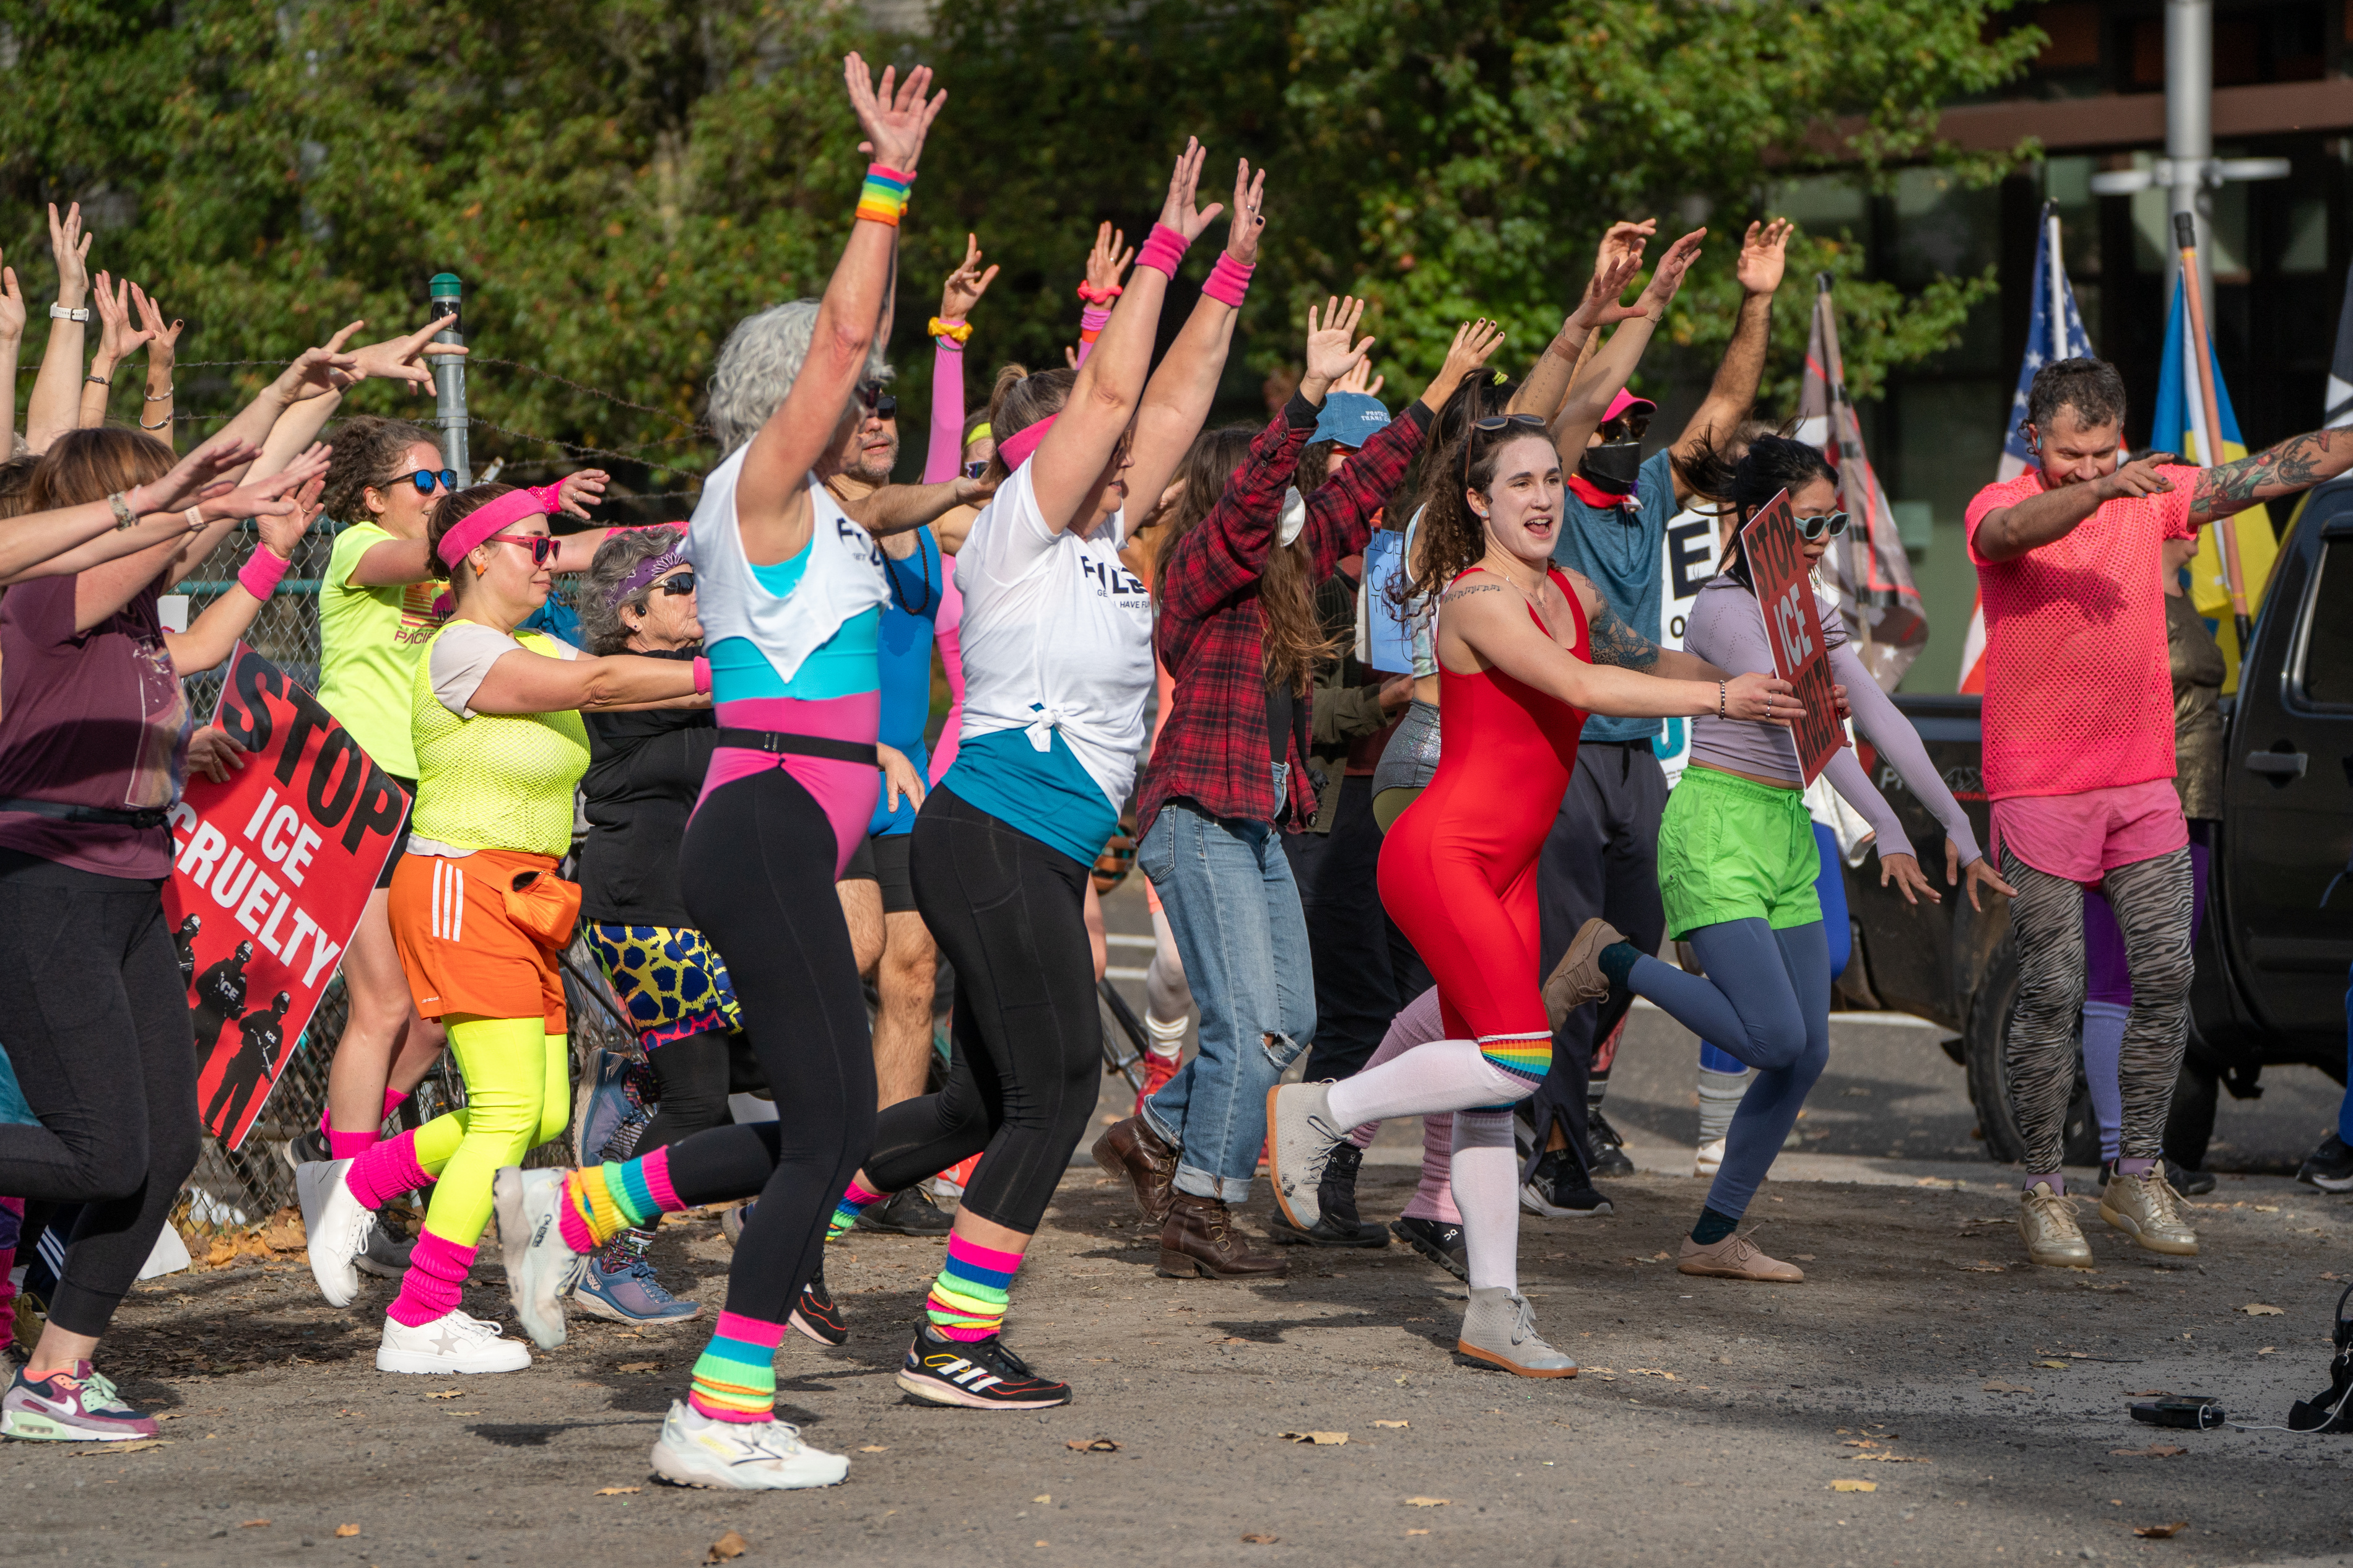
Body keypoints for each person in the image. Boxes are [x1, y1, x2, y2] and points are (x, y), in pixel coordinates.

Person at [492, 56, 946, 1490]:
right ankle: (717, 1406)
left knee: (824, 1127)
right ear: (789, 394)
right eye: (848, 387)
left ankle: (587, 1210)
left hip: (771, 826)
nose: (862, 400)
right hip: (749, 827)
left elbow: (896, 496)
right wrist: (885, 186)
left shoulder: (818, 514)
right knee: (823, 1130)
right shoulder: (754, 482)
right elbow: (834, 345)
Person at [1262, 291, 1799, 1374]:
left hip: (1505, 869)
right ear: (1477, 501)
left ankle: (1493, 1307)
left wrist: (1771, 680)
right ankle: (1327, 1106)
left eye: (1553, 480)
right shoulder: (1477, 600)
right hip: (1444, 854)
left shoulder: (1561, 588)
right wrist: (1719, 702)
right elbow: (1573, 682)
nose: (1546, 498)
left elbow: (1631, 661)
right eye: (1522, 483)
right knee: (1512, 1058)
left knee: (1482, 1100)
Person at [820, 142, 1258, 1407]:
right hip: (996, 831)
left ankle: (793, 1218)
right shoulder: (1016, 535)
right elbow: (1124, 392)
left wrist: (1229, 272)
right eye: (1098, 448)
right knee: (1062, 1085)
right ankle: (952, 1340)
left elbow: (1170, 405)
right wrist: (1167, 249)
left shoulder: (1110, 554)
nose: (1131, 461)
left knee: (982, 1099)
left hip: (1032, 844)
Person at [1116, 308, 1501, 1279]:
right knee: (1248, 1027)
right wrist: (1309, 398)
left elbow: (1366, 484)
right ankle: (1201, 1214)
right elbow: (1254, 501)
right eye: (1283, 479)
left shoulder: (1286, 569)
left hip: (1257, 819)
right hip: (1196, 815)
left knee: (1286, 1025)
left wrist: (1444, 387)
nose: (1296, 496)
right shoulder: (1202, 567)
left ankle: (1153, 1131)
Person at [295, 479, 702, 1375]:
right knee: (512, 1114)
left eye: (553, 544)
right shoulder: (458, 650)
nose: (548, 558)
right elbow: (599, 681)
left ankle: (360, 1185)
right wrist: (733, 674)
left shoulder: (530, 639)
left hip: (525, 899)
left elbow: (607, 639)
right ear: (478, 554)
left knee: (540, 1111)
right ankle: (421, 1317)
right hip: (459, 887)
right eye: (532, 543)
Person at [1966, 355, 2353, 1266]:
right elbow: (2010, 532)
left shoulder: (2152, 493)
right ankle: (2041, 1189)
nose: (2093, 468)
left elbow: (2270, 469)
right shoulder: (2004, 500)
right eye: (2074, 455)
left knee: (2168, 978)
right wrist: (2101, 495)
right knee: (2054, 987)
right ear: (2037, 440)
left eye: (2107, 452)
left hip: (2142, 782)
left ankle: (2135, 1172)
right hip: (2039, 781)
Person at [1589, 435, 2001, 1289]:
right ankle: (1611, 959)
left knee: (1806, 1053)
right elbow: (1816, 732)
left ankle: (1714, 1234)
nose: (1821, 538)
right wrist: (1885, 821)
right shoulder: (1725, 611)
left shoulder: (1809, 604)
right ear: (1760, 518)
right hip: (1716, 828)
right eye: (1807, 522)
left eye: (1833, 522)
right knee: (1774, 1036)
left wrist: (1955, 828)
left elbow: (1877, 719)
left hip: (1781, 828)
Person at [0, 415, 333, 1442]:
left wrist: (273, 536)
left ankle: (56, 1375)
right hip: (46, 884)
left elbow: (207, 623)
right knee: (103, 1155)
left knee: (168, 1143)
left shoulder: (134, 625)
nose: (180, 532)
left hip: (135, 886)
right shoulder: (42, 604)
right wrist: (200, 496)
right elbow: (172, 524)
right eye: (152, 499)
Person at [1521, 219, 1796, 1213]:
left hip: (1639, 752)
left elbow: (1725, 409)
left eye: (1637, 423)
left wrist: (1755, 301)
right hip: (1559, 753)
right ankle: (1552, 1140)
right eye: (1611, 422)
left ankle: (1555, 1105)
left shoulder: (1643, 490)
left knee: (1622, 956)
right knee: (1563, 951)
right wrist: (1633, 306)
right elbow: (1564, 412)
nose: (1624, 433)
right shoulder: (1546, 501)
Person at [305, 394, 603, 1183]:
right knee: (384, 1005)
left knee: (431, 1024)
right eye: (424, 480)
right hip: (357, 787)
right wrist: (528, 506)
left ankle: (358, 1156)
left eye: (447, 479)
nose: (439, 492)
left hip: (425, 797)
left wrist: (695, 537)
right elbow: (438, 553)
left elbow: (573, 554)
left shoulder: (464, 576)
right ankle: (346, 1191)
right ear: (373, 498)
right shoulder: (358, 549)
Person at [572, 527, 728, 1327]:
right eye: (680, 586)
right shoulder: (630, 679)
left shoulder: (699, 667)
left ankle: (635, 1085)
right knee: (704, 1105)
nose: (698, 594)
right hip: (647, 910)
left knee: (762, 1068)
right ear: (631, 616)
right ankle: (602, 1251)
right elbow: (722, 688)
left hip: (707, 903)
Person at [2081, 529, 2222, 1196]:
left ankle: (2142, 1155)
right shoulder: (2119, 596)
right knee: (2115, 978)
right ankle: (2120, 1158)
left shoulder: (2180, 595)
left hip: (2192, 805)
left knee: (2161, 986)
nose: (2196, 523)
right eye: (2183, 510)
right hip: (2138, 801)